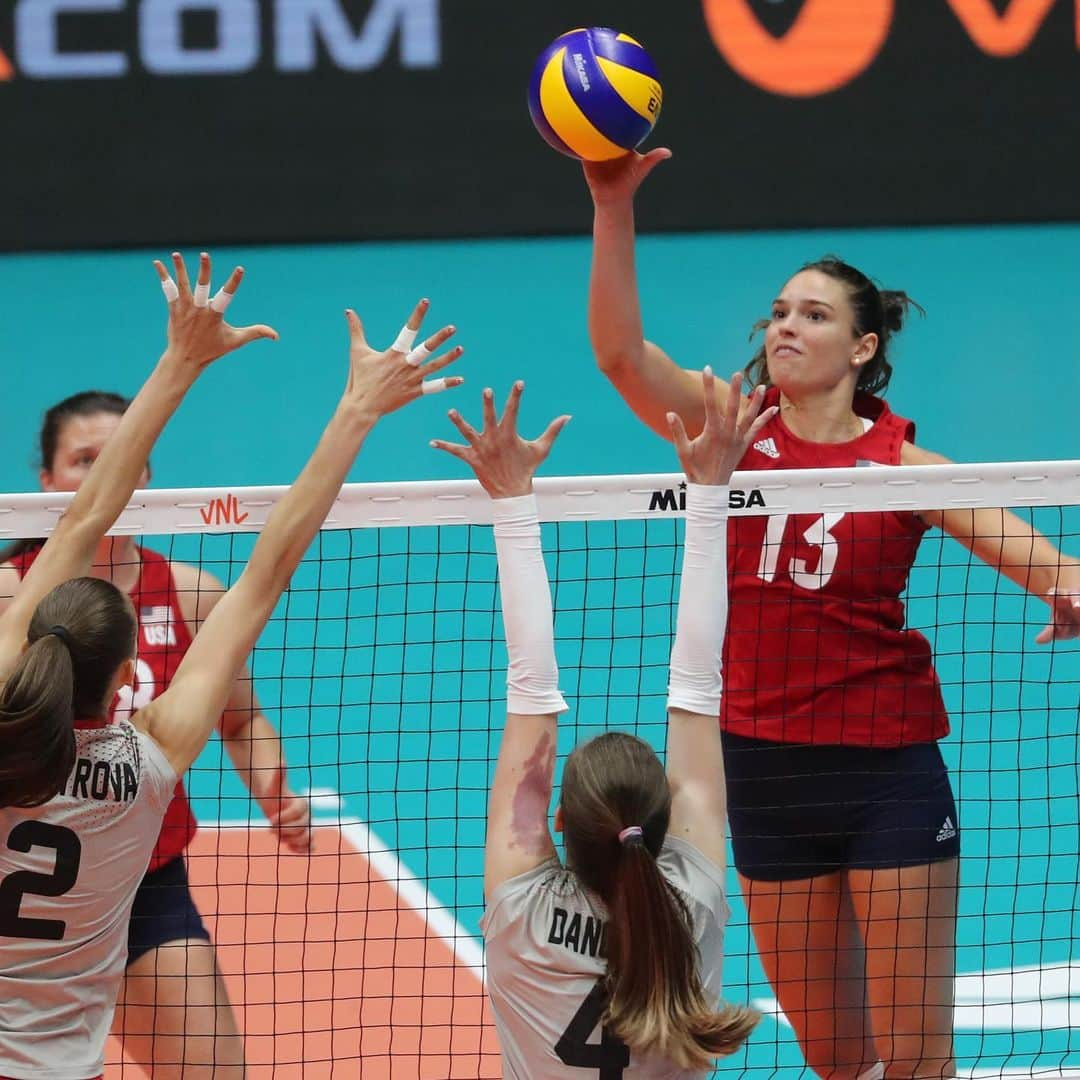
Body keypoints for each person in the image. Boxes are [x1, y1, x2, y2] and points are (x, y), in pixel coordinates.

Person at [581, 150, 1080, 1080]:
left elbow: (1053, 565)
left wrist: (1070, 595)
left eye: (813, 314)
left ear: (861, 349)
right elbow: (619, 355)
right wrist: (613, 205)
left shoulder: (905, 469)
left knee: (916, 1062)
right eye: (777, 312)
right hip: (762, 774)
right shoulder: (729, 431)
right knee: (838, 1058)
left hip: (887, 773)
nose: (785, 326)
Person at [0, 253, 463, 1080]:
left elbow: (81, 524)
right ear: (124, 683)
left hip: (137, 900)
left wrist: (178, 359)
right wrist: (355, 411)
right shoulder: (150, 757)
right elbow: (267, 571)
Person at [431, 369, 774, 1077]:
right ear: (666, 817)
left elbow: (534, 697)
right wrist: (711, 494)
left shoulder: (525, 910)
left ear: (559, 820)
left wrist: (512, 503)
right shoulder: (692, 899)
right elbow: (700, 692)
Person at [0, 386, 311, 1078]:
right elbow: (269, 577)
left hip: (147, 882)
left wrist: (270, 784)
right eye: (85, 459)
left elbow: (241, 719)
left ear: (146, 474)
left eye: (126, 455)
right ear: (48, 479)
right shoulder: (8, 597)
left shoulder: (190, 593)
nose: (105, 471)